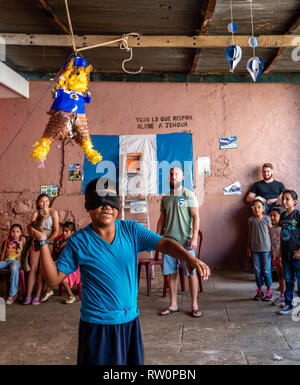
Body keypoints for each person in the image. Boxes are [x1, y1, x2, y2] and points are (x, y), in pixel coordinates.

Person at [27, 177, 210, 365]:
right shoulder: (79, 242)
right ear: (88, 206)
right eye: (99, 200)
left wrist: (189, 257)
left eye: (111, 200)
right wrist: (42, 241)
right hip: (97, 326)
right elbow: (53, 279)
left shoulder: (132, 230)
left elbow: (163, 243)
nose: (106, 206)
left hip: (129, 322)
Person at [156, 167, 202, 318]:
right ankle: (173, 304)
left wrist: (194, 237)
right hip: (169, 242)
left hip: (186, 242)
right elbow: (162, 219)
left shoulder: (188, 195)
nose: (173, 177)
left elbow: (196, 217)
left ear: (182, 177)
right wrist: (156, 238)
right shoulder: (165, 198)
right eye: (171, 174)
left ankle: (194, 305)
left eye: (176, 174)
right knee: (171, 274)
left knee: (191, 273)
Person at [23, 193, 59, 305]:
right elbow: (33, 227)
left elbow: (56, 231)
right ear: (38, 203)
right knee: (33, 268)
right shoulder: (36, 213)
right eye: (42, 201)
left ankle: (37, 295)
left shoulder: (53, 212)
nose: (44, 203)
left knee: (42, 270)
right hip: (36, 240)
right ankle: (28, 295)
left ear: (49, 202)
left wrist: (46, 242)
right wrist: (38, 238)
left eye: (46, 201)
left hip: (48, 241)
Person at [41, 221, 80, 304]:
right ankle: (48, 291)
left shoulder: (75, 242)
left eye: (67, 231)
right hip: (62, 264)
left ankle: (70, 295)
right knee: (50, 269)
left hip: (72, 267)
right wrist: (63, 243)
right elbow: (57, 250)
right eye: (63, 231)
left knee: (59, 274)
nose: (64, 233)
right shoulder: (62, 241)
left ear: (72, 233)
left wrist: (66, 243)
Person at [277, 190, 300, 315]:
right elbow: (282, 235)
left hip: (296, 254)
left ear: (294, 202)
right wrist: (280, 254)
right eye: (283, 199)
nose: (284, 201)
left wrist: (299, 251)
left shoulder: (297, 215)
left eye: (287, 199)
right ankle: (288, 304)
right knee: (288, 279)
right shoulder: (283, 216)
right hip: (286, 254)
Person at [247, 199, 273, 301]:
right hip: (254, 249)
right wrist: (248, 247)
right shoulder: (251, 220)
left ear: (263, 209)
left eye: (259, 207)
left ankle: (269, 291)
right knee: (257, 271)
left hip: (266, 249)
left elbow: (271, 233)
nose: (256, 209)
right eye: (254, 207)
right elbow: (249, 234)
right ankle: (259, 291)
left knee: (266, 270)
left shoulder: (267, 219)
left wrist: (273, 248)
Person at [0, 224, 26, 304]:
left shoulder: (22, 239)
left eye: (17, 232)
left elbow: (26, 251)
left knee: (14, 268)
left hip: (16, 261)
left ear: (21, 233)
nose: (15, 233)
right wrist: (1, 260)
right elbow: (4, 251)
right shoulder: (8, 239)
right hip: (7, 261)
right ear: (10, 232)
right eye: (13, 231)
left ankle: (13, 294)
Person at [269, 206, 286, 306]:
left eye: (274, 215)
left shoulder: (283, 228)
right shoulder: (272, 229)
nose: (272, 217)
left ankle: (288, 297)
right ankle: (282, 295)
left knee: (285, 276)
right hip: (276, 257)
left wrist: (280, 256)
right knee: (279, 276)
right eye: (271, 215)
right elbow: (272, 243)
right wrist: (272, 255)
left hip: (283, 257)